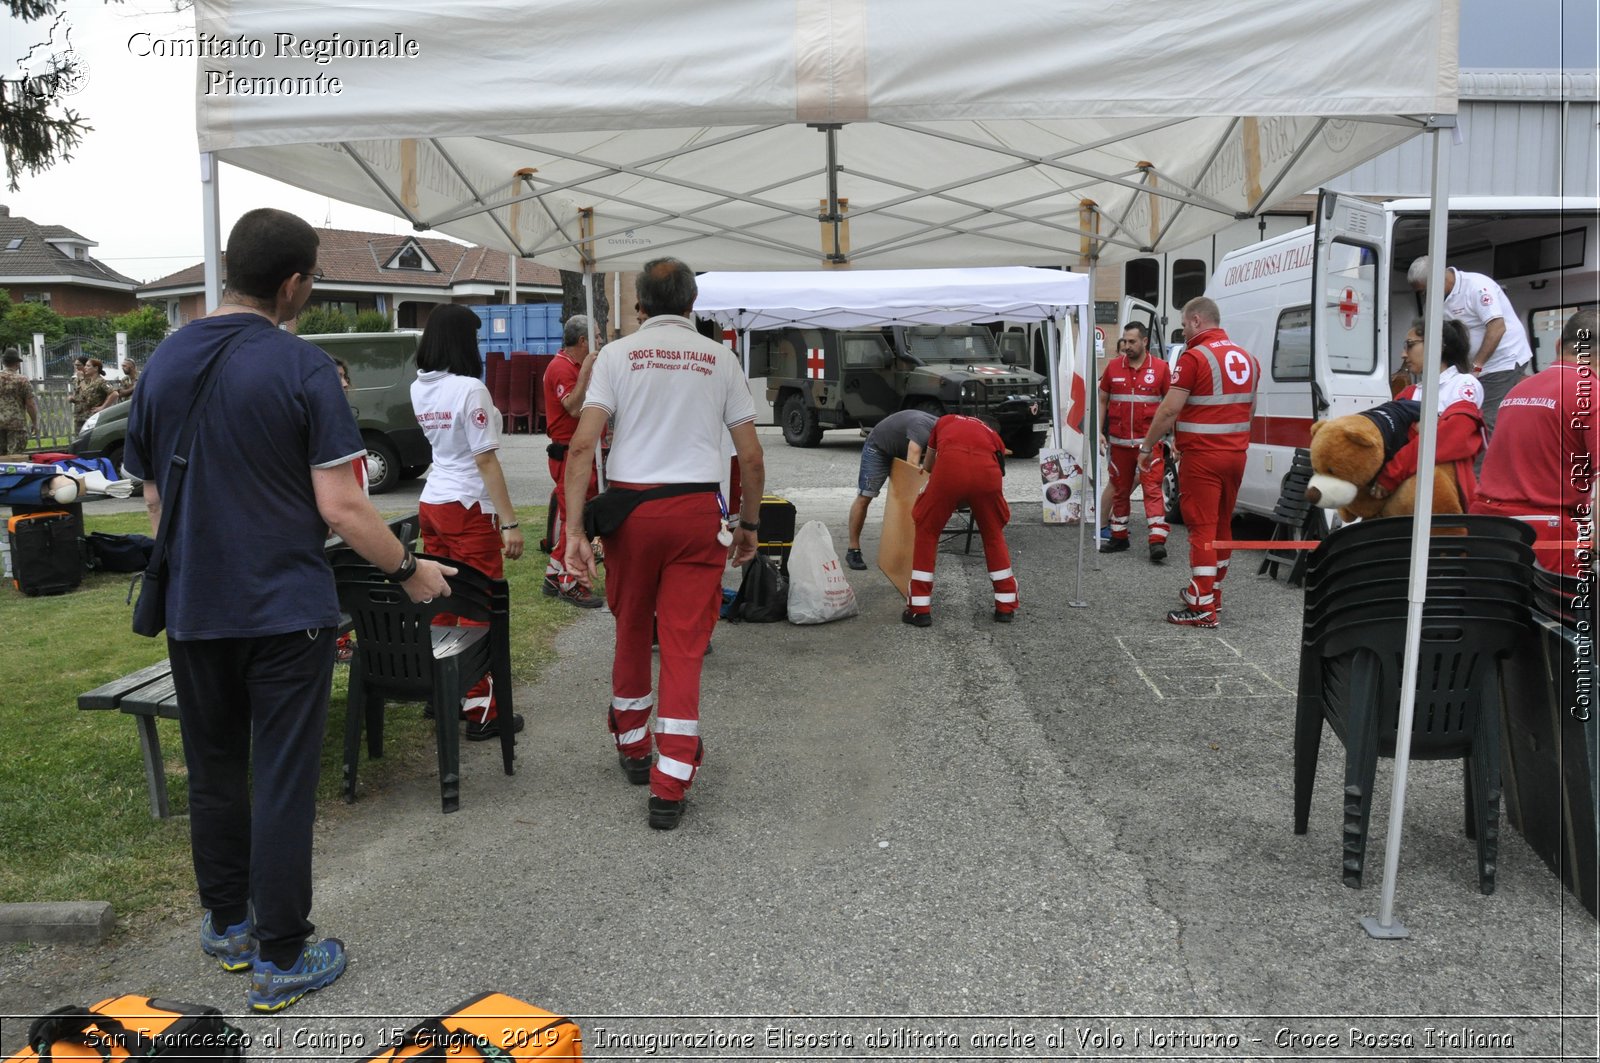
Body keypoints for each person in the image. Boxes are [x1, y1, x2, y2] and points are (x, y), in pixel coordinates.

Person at [125, 207, 453, 1013]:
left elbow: (154, 500)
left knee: (215, 770)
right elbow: (342, 507)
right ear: (295, 283)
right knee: (278, 777)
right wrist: (411, 570)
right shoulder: (303, 366)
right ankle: (281, 956)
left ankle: (228, 924)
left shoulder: (163, 361)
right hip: (285, 609)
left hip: (195, 606)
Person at [562, 257, 765, 832]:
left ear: (639, 307)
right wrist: (749, 525)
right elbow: (750, 457)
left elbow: (582, 448)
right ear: (693, 304)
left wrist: (575, 531)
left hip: (631, 512)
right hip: (697, 512)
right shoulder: (721, 359)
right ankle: (671, 781)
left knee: (631, 628)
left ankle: (632, 748)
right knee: (682, 644)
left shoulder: (616, 357)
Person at [410, 303, 526, 741]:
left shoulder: (420, 387)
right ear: (462, 343)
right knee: (479, 606)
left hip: (434, 502)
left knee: (442, 600)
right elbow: (485, 461)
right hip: (467, 506)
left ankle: (444, 692)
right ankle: (482, 706)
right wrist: (510, 523)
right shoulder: (468, 389)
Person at [1138, 296, 1259, 628]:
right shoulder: (1249, 358)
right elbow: (1249, 410)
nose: (1183, 331)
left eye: (1183, 324)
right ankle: (1211, 595)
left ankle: (1202, 608)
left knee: (1201, 529)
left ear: (1195, 320)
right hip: (1235, 455)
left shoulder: (1194, 357)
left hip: (1203, 458)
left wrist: (1148, 446)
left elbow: (1169, 409)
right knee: (1222, 526)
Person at [1471, 308, 1597, 578]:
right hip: (1544, 534)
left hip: (1485, 525)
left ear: (1557, 345)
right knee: (1558, 617)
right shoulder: (1592, 395)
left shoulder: (1518, 390)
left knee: (1494, 613)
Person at [1407, 257, 1533, 457]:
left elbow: (1497, 328)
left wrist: (1476, 367)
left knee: (1483, 421)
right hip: (1472, 365)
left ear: (1439, 279)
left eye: (1425, 289)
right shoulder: (1437, 298)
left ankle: (1475, 482)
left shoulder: (1477, 287)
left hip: (1503, 361)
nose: (1425, 295)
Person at [904, 414, 1018, 627]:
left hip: (950, 470)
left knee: (927, 530)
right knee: (993, 534)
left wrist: (947, 491)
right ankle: (1005, 605)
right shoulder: (993, 435)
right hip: (987, 476)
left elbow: (929, 463)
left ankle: (919, 609)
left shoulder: (945, 420)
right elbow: (999, 472)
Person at [1372, 318, 1485, 509]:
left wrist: (1392, 473)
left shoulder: (1464, 384)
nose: (1403, 354)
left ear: (1437, 345)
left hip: (1449, 497)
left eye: (1409, 345)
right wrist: (1431, 427)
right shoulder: (1409, 393)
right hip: (1406, 499)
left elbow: (1453, 437)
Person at [540, 314, 604, 607]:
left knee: (574, 517)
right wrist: (587, 371)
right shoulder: (562, 367)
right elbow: (574, 408)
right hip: (569, 455)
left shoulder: (570, 366)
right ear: (583, 341)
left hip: (577, 453)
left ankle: (554, 574)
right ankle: (569, 581)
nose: (601, 343)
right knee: (575, 519)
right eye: (598, 337)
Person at [1097, 321, 1171, 561]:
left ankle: (1157, 540)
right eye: (1125, 341)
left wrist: (1176, 439)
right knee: (1120, 491)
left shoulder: (1160, 368)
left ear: (1144, 341)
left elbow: (1172, 407)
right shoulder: (1113, 367)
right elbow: (1102, 400)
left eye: (1132, 342)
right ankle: (1119, 537)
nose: (1127, 346)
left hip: (1149, 446)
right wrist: (1098, 431)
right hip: (1119, 445)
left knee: (1152, 490)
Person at [844, 408, 936, 570]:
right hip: (878, 448)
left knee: (902, 501)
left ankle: (900, 550)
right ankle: (853, 549)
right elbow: (912, 465)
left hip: (900, 447)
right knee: (865, 496)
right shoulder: (923, 428)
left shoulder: (942, 429)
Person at [0, 349, 40, 454]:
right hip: (16, 425)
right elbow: (30, 404)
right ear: (17, 363)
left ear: (3, 362)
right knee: (14, 459)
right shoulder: (22, 380)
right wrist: (35, 423)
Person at [70, 356, 111, 431]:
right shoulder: (85, 380)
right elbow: (82, 394)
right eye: (75, 365)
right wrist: (73, 398)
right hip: (80, 414)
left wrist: (103, 407)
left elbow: (114, 393)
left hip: (92, 416)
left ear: (95, 368)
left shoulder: (98, 381)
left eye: (87, 366)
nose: (76, 367)